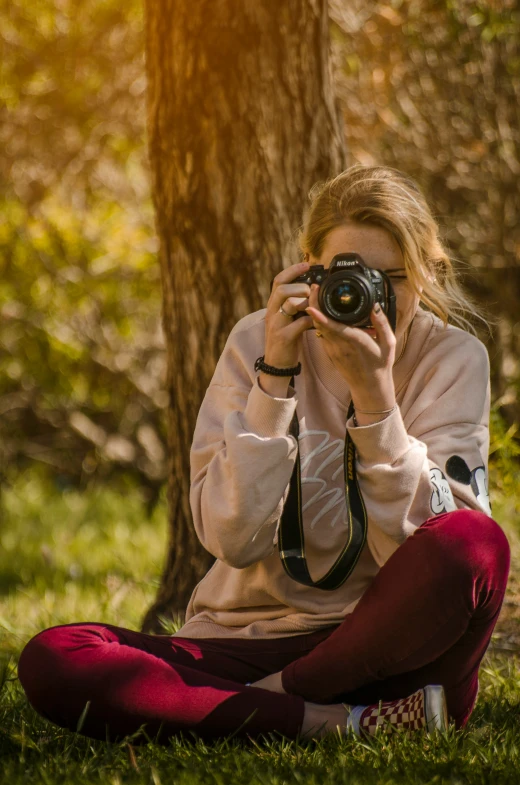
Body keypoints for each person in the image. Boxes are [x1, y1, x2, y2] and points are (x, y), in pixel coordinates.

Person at [18, 165, 510, 743]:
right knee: (56, 655)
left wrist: (377, 402)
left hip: (391, 648)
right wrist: (275, 377)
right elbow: (231, 537)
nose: (365, 298)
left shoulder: (452, 356)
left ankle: (262, 705)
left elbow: (437, 547)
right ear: (310, 269)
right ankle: (334, 723)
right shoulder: (257, 341)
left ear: (427, 273)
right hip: (252, 639)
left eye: (390, 280)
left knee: (477, 542)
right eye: (347, 276)